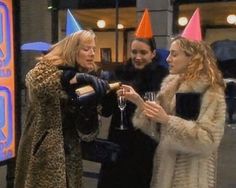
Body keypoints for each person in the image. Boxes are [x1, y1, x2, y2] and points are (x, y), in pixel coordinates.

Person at [120, 36, 226, 188]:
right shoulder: (170, 86)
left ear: (192, 58)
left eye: (174, 54)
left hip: (192, 177)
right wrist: (138, 101)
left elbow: (208, 141)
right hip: (165, 173)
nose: (168, 59)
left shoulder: (211, 90)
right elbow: (157, 131)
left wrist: (168, 121)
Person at [14, 30, 110, 188]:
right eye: (86, 49)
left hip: (70, 155)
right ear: (73, 50)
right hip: (42, 152)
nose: (92, 53)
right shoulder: (47, 69)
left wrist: (90, 109)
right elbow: (36, 83)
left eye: (93, 49)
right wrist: (68, 78)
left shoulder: (88, 77)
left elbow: (88, 134)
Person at [97, 36, 169, 188]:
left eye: (143, 52)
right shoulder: (119, 73)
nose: (138, 57)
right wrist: (105, 95)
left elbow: (162, 113)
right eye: (134, 52)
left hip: (146, 142)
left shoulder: (163, 77)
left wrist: (138, 100)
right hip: (118, 140)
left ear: (153, 53)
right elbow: (107, 111)